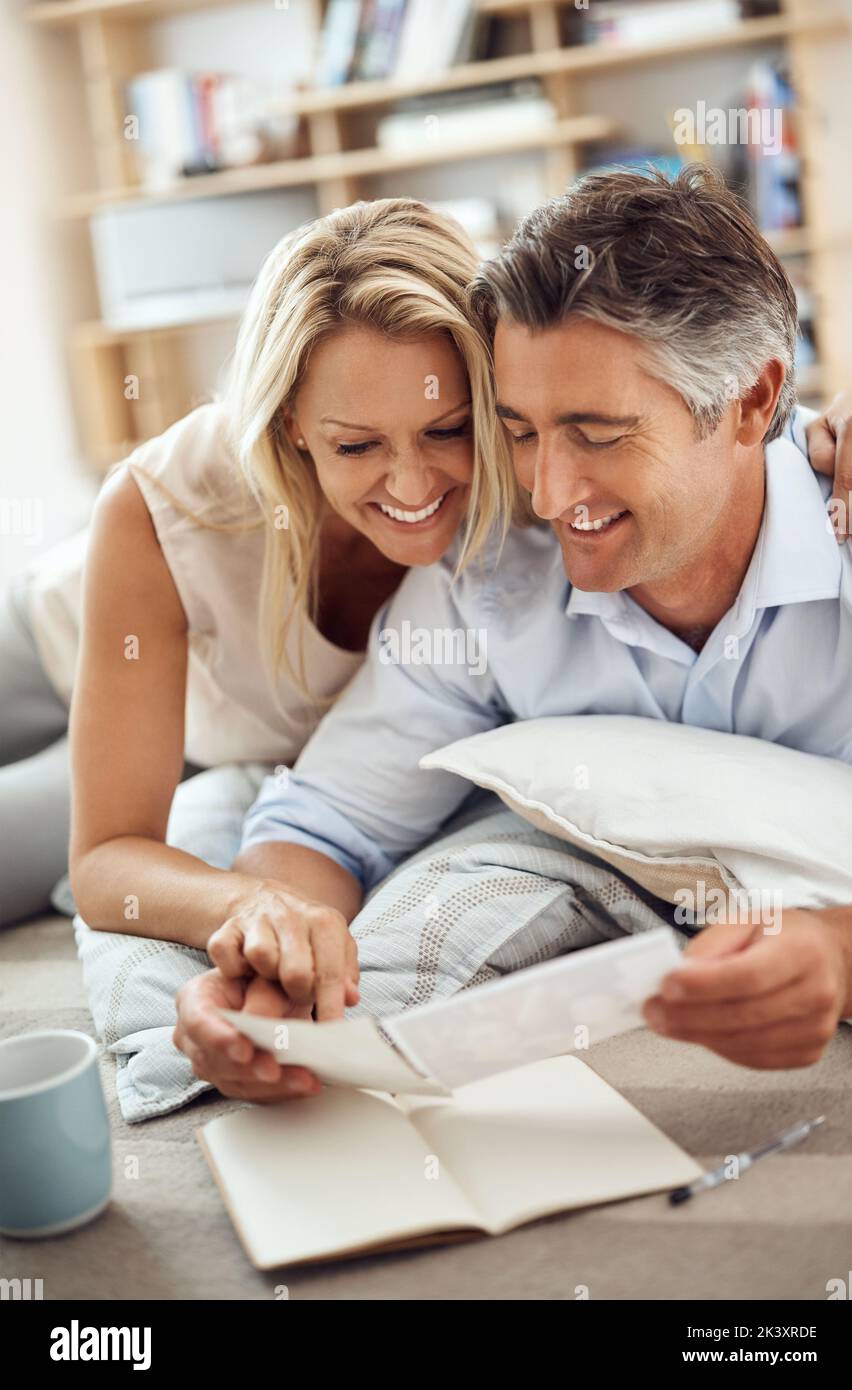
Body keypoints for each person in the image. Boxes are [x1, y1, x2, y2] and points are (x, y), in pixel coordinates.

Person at [173, 165, 852, 1092]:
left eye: (596, 432)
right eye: (518, 431)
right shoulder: (489, 581)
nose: (547, 494)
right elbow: (329, 820)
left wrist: (841, 953)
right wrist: (275, 945)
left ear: (749, 401)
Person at [0, 197, 514, 934]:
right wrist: (253, 908)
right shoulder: (166, 502)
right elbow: (107, 859)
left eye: (446, 429)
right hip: (52, 646)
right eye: (355, 446)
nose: (412, 485)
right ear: (289, 424)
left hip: (202, 748)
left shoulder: (527, 489)